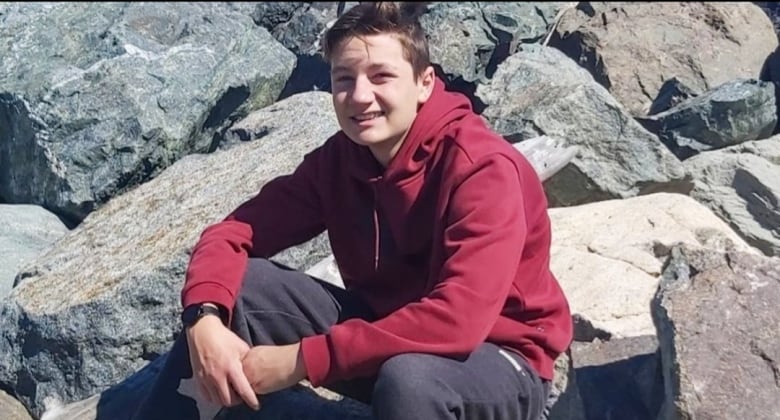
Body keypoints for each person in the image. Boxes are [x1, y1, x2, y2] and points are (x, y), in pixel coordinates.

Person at [133, 2, 573, 420]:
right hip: (387, 332)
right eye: (344, 79)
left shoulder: (481, 168)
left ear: (425, 83)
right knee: (242, 285)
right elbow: (232, 234)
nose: (360, 96)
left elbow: (457, 320)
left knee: (412, 380)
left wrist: (303, 361)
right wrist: (203, 319)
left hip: (496, 359)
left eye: (381, 76)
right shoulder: (340, 162)